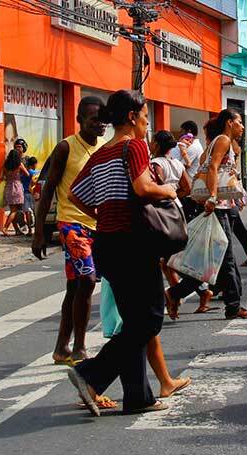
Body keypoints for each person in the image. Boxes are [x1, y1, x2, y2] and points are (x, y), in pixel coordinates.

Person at [64, 89, 177, 415]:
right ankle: (91, 375)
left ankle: (138, 396)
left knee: (133, 321)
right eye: (144, 118)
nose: (146, 124)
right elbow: (143, 188)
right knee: (151, 317)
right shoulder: (133, 146)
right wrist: (167, 189)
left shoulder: (100, 153)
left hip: (107, 244)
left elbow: (76, 195)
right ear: (131, 117)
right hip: (132, 242)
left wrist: (103, 212)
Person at [165, 109, 247, 321]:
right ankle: (233, 306)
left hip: (218, 206)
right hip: (217, 207)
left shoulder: (220, 141)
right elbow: (214, 168)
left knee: (213, 261)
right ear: (229, 122)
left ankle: (175, 294)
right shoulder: (223, 140)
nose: (242, 127)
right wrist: (214, 196)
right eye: (239, 122)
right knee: (224, 260)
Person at [32, 96, 104, 367]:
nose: (99, 124)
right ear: (80, 120)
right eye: (93, 119)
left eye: (102, 119)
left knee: (75, 286)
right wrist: (39, 231)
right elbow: (48, 189)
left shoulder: (104, 148)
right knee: (87, 281)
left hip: (97, 224)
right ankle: (80, 348)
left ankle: (61, 347)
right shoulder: (66, 148)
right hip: (71, 224)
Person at [150, 130, 214, 316]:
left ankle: (187, 293)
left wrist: (165, 197)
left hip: (162, 213)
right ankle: (183, 295)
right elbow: (187, 187)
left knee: (169, 260)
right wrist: (175, 197)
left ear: (156, 144)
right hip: (177, 211)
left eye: (152, 141)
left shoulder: (155, 164)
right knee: (171, 259)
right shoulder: (177, 164)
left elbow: (158, 187)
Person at [174, 122, 205, 219]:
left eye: (182, 131)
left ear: (189, 132)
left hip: (188, 191)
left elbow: (183, 166)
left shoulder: (193, 148)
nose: (180, 133)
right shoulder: (192, 146)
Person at [0, 149, 29, 236]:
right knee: (14, 211)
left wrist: (8, 177)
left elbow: (1, 177)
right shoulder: (19, 165)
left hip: (8, 187)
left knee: (13, 210)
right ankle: (5, 228)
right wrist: (19, 175)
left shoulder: (5, 165)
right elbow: (27, 174)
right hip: (17, 187)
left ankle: (17, 230)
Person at [19, 156, 38, 235]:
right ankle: (37, 229)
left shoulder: (24, 173)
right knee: (35, 211)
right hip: (33, 194)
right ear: (34, 164)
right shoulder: (34, 173)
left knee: (27, 212)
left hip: (25, 193)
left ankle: (30, 230)